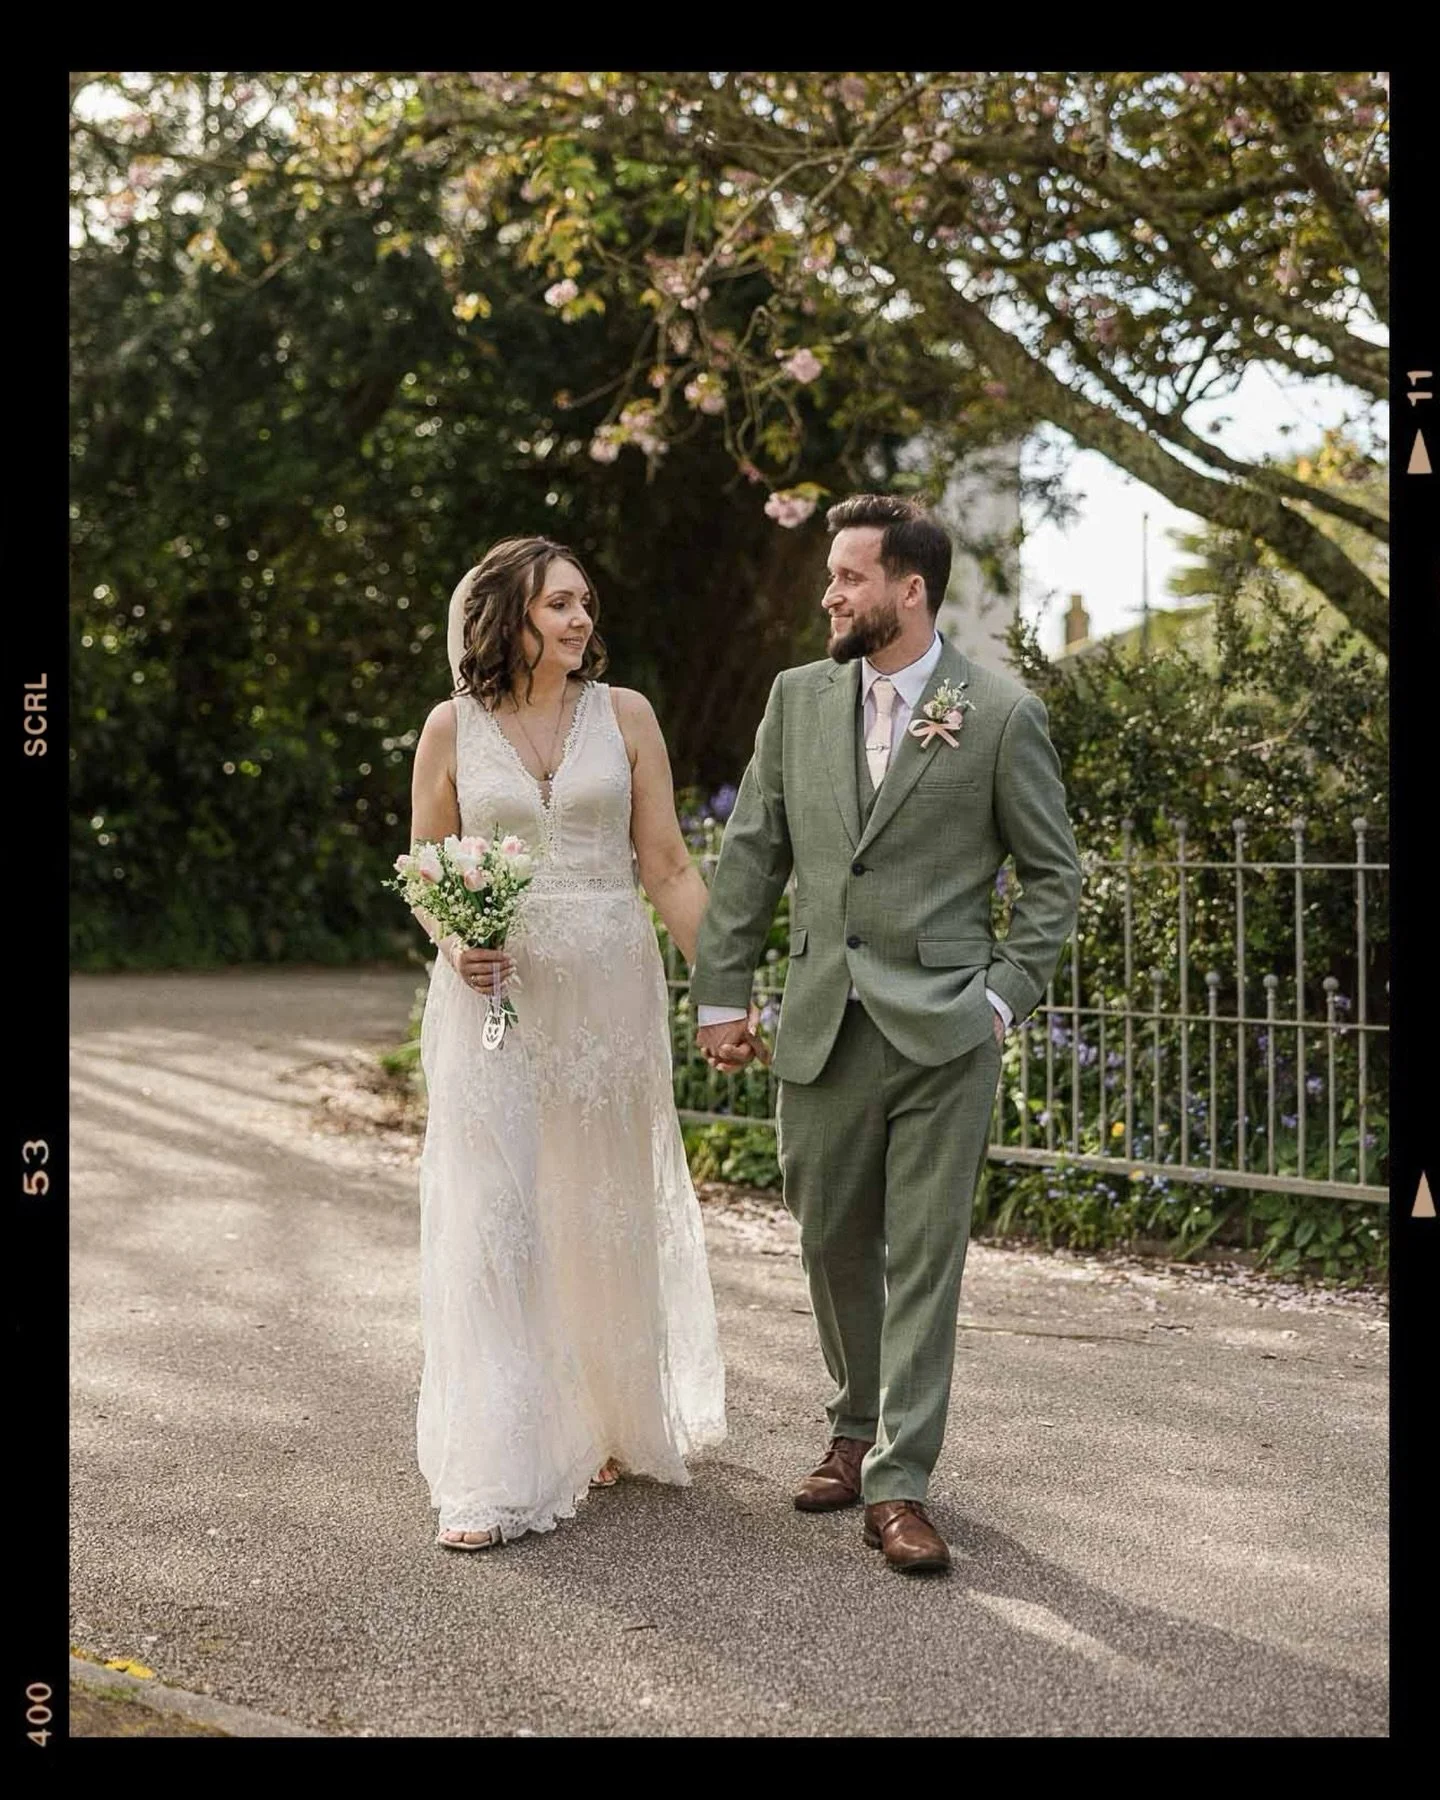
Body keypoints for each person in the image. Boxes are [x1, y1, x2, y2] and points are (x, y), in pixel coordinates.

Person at [691, 494, 1080, 1574]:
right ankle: (854, 1429)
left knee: (926, 1258)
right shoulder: (797, 700)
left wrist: (1000, 998)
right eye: (832, 577)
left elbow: (1053, 878)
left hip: (943, 1031)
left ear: (910, 589)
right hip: (821, 1021)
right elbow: (753, 856)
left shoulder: (998, 712)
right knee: (828, 1240)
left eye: (850, 577)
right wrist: (723, 991)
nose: (830, 594)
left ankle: (902, 1481)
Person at [408, 536, 726, 1550]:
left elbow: (669, 866)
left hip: (607, 999)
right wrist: (458, 940)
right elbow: (427, 864)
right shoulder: (449, 728)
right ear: (509, 615)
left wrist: (724, 989)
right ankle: (496, 1470)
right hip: (496, 999)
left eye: (586, 602)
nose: (581, 620)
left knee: (601, 1200)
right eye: (558, 605)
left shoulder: (626, 716)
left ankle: (603, 1416)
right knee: (500, 1209)